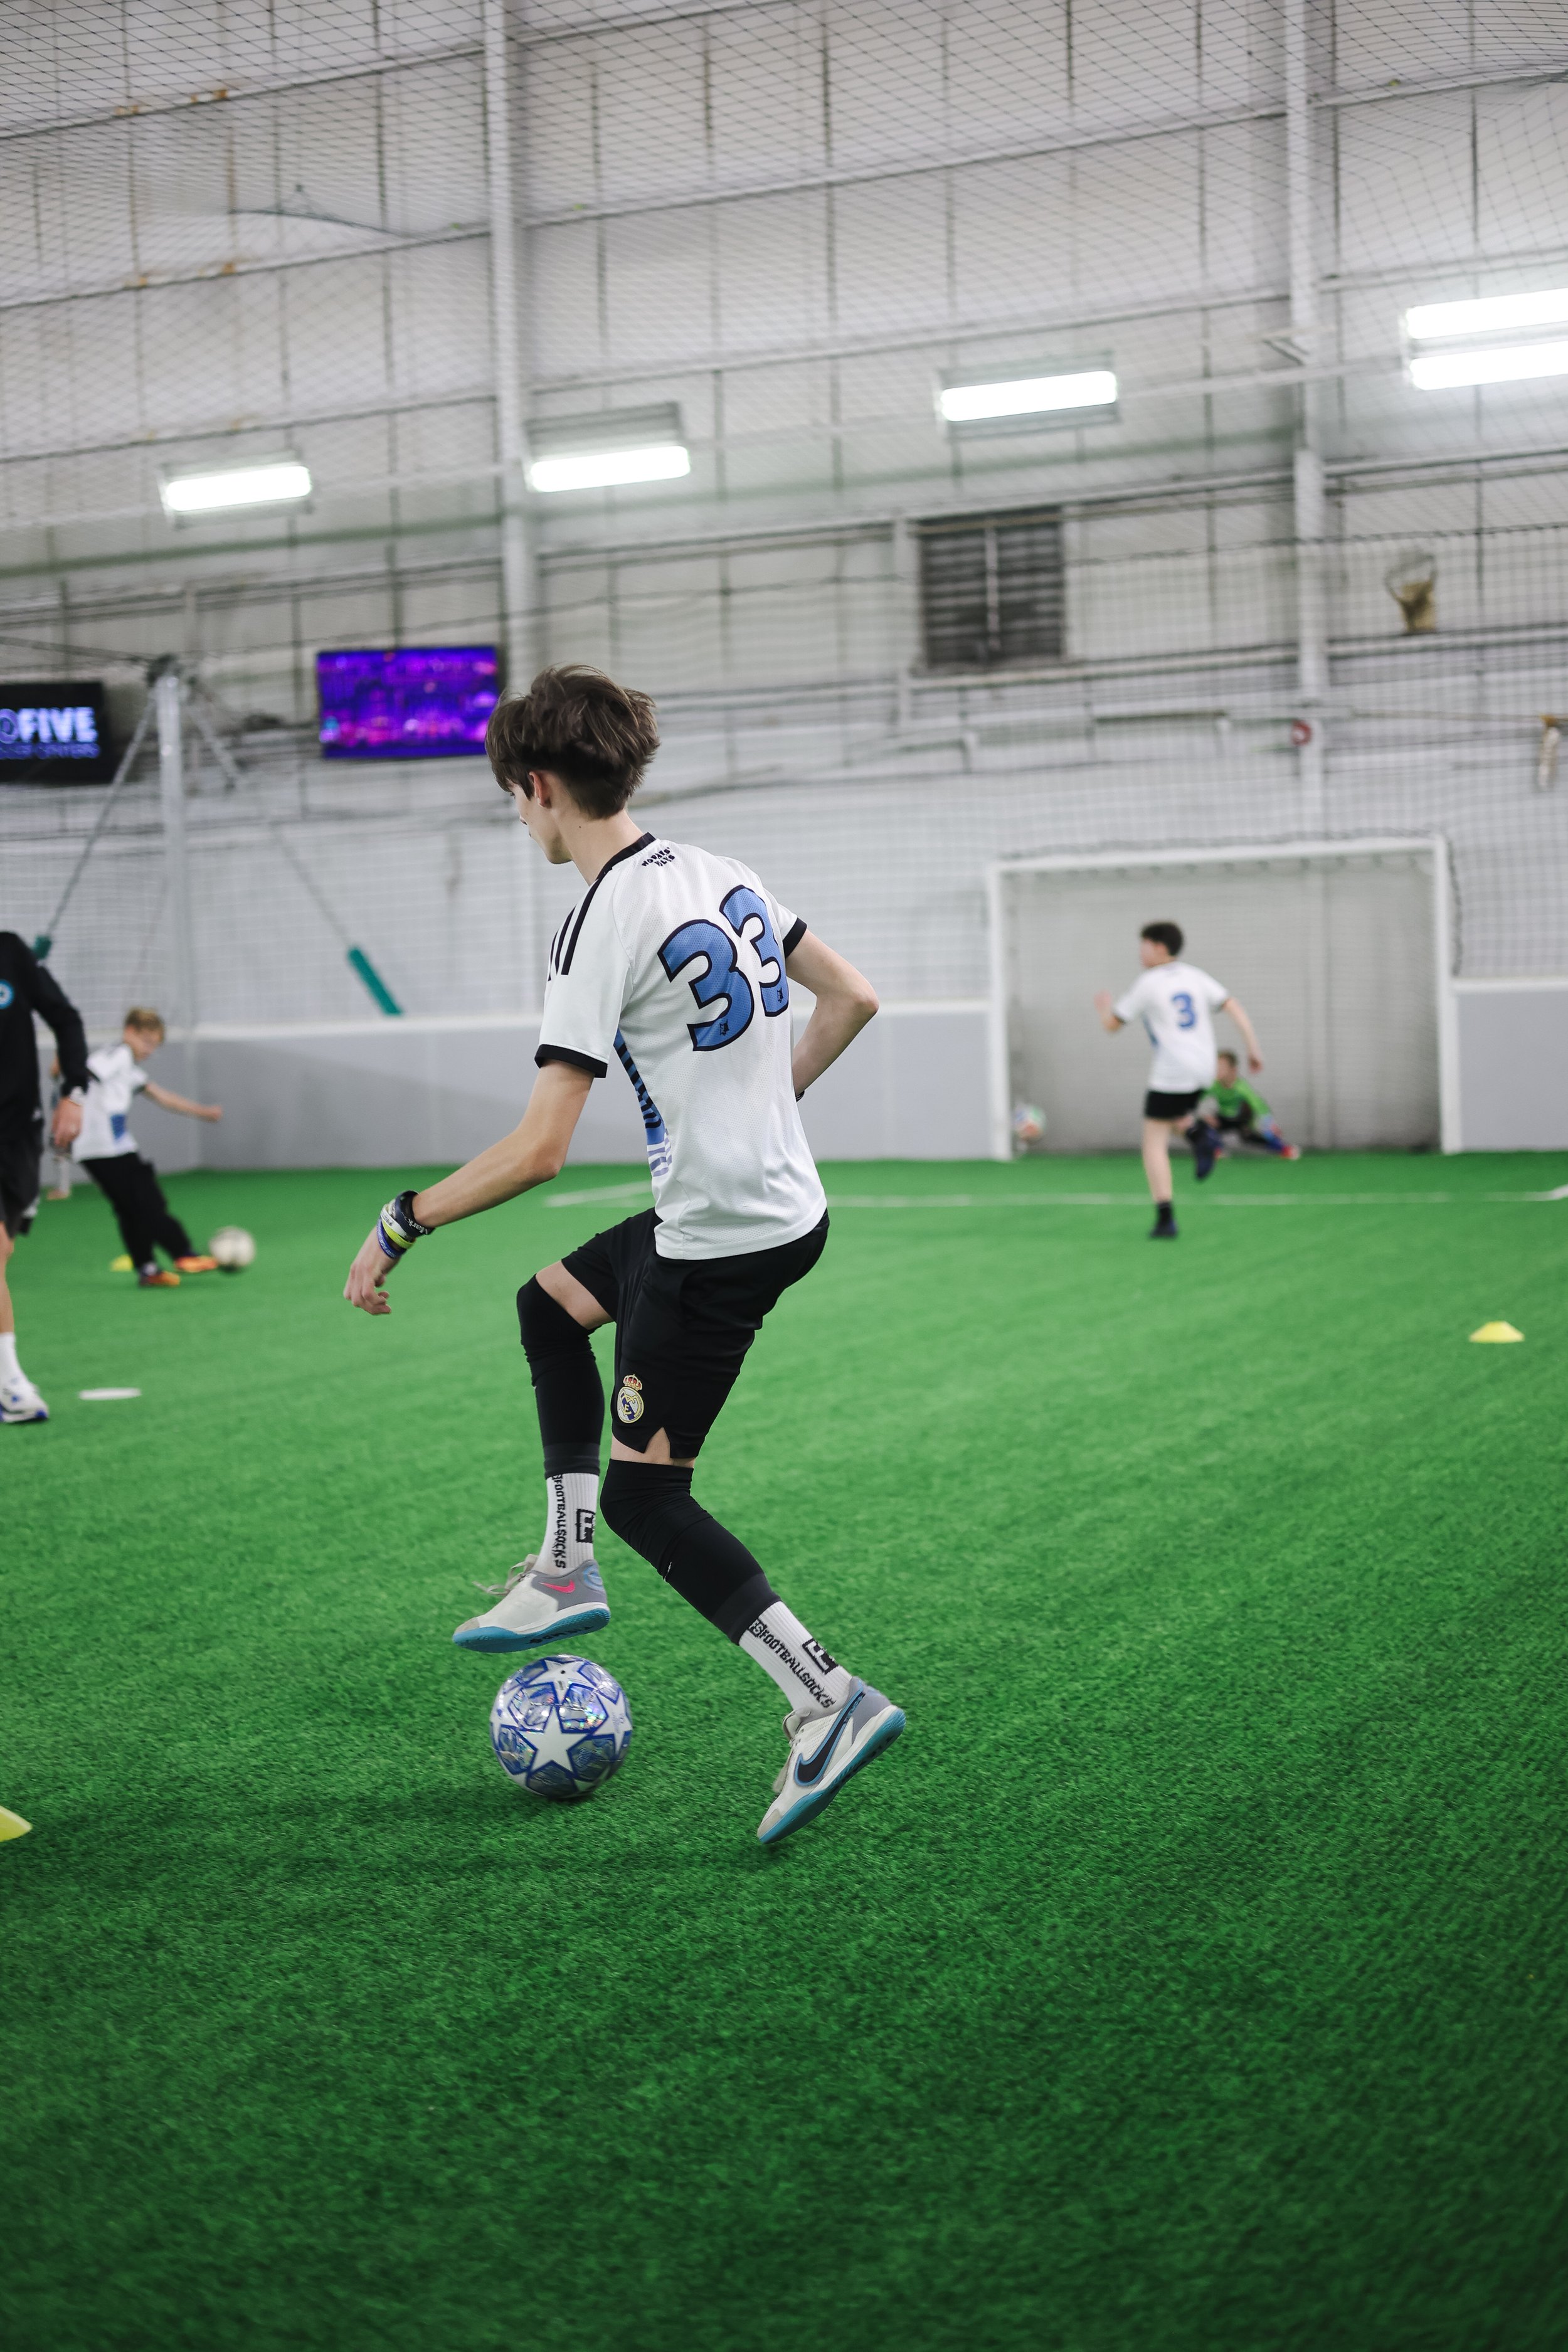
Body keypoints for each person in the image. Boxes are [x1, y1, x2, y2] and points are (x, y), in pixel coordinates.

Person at [342, 665, 904, 1846]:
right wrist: (764, 1112)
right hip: (769, 1207)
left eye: (515, 798)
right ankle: (563, 1564)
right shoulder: (719, 869)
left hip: (718, 1243)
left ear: (540, 787)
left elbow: (542, 1150)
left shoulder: (599, 919)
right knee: (549, 1308)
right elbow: (851, 998)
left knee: (653, 1497)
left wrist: (402, 1221)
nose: (520, 817)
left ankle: (826, 1698)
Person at [1093, 921, 1264, 1240]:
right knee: (1173, 1118)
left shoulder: (1148, 983)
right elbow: (1233, 1005)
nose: (1140, 952)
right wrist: (1253, 1048)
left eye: (1143, 945)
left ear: (1159, 947)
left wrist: (1104, 1010)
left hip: (1172, 1069)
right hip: (1203, 1069)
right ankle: (1199, 1134)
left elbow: (1112, 1025)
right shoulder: (1195, 976)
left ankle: (1165, 1218)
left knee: (1153, 1141)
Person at [0, 933, 90, 1423]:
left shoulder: (12, 952)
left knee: (4, 1251)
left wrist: (74, 1092)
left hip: (16, 1134)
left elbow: (66, 1018)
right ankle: (10, 1384)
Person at [75, 1009, 223, 1286]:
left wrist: (203, 1112)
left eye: (154, 1044)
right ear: (128, 1031)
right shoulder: (116, 1055)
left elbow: (162, 1097)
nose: (149, 1049)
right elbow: (86, 1072)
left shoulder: (129, 1068)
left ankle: (148, 1270)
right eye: (145, 1041)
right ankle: (183, 1253)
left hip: (115, 1147)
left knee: (129, 1209)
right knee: (147, 1203)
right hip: (100, 1146)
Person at [1204, 1050, 1300, 1160]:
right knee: (1205, 1127)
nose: (1217, 1070)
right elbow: (1195, 1100)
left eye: (1221, 1067)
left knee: (1251, 1137)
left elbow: (1258, 1104)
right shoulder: (1214, 1085)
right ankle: (1217, 1150)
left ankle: (1283, 1148)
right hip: (1223, 1119)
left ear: (1233, 1070)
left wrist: (1269, 1123)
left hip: (1241, 1119)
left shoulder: (1241, 1087)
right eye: (1216, 1066)